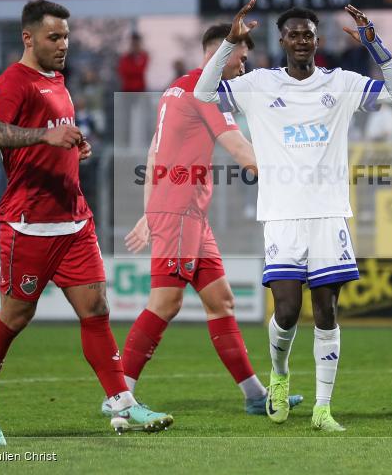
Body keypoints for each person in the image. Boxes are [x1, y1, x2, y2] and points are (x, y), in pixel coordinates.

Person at [194, 0, 392, 431]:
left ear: (317, 40)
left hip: (329, 215)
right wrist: (229, 45)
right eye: (293, 34)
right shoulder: (259, 84)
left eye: (308, 34)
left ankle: (322, 407)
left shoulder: (341, 83)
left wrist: (374, 44)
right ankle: (278, 374)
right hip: (282, 215)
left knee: (327, 310)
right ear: (282, 40)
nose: (301, 40)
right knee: (288, 310)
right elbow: (203, 94)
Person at [0, 0, 159, 448]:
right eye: (54, 37)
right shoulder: (13, 81)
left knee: (96, 310)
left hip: (74, 221)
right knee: (15, 317)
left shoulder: (57, 81)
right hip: (28, 224)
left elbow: (55, 135)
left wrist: (74, 145)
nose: (63, 45)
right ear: (28, 37)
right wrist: (44, 136)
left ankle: (123, 401)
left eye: (67, 37)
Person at [111, 24, 303, 424]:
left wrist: (149, 212)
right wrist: (292, 173)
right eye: (242, 58)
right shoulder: (206, 91)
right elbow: (239, 150)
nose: (244, 67)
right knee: (166, 302)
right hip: (181, 211)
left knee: (221, 301)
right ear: (224, 52)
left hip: (184, 212)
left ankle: (254, 395)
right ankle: (121, 395)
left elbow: (153, 151)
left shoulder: (175, 88)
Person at [118, 32, 150, 149]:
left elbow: (140, 70)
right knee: (127, 119)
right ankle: (126, 144)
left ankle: (144, 143)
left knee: (142, 118)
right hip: (127, 91)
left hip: (140, 91)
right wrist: (134, 69)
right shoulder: (125, 58)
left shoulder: (144, 56)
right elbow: (123, 72)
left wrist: (134, 70)